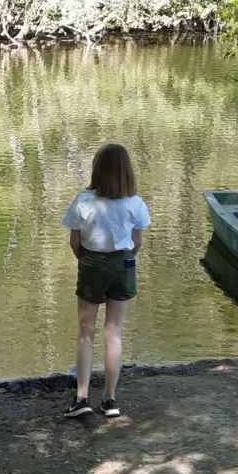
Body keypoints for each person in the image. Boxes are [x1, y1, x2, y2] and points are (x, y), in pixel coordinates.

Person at [60, 143, 150, 418]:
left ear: (97, 169)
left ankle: (82, 397)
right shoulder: (134, 203)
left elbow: (75, 243)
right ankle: (110, 399)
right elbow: (137, 243)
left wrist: (87, 261)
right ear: (127, 172)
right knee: (114, 332)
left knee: (85, 331)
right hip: (123, 264)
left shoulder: (83, 201)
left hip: (91, 264)